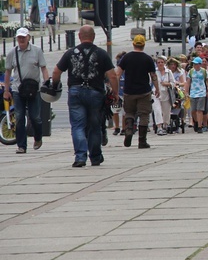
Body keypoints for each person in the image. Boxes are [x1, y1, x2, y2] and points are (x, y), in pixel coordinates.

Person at [52, 25, 118, 167]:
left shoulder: (70, 53)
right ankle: (95, 157)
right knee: (95, 126)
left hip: (76, 92)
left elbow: (56, 71)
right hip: (95, 93)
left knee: (77, 126)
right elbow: (112, 75)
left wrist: (54, 86)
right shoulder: (101, 53)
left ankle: (80, 157)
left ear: (79, 37)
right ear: (93, 37)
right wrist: (115, 93)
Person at [3, 27, 49, 154]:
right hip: (18, 89)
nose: (21, 39)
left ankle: (38, 137)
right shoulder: (12, 53)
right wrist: (6, 91)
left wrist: (46, 82)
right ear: (17, 38)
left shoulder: (37, 51)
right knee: (19, 118)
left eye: (24, 37)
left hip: (34, 90)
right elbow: (7, 72)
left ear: (28, 37)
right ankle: (21, 145)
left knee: (35, 117)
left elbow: (44, 68)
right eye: (19, 37)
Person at [117, 35, 158, 148]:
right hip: (144, 91)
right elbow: (153, 75)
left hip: (129, 91)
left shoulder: (126, 58)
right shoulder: (147, 59)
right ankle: (142, 141)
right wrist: (157, 89)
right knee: (144, 115)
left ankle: (129, 129)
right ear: (143, 45)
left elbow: (118, 74)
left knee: (129, 112)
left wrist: (115, 89)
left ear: (133, 44)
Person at [186, 57, 208, 133]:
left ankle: (200, 126)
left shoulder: (204, 71)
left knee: (199, 110)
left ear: (200, 64)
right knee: (193, 110)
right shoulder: (191, 72)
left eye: (197, 64)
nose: (195, 65)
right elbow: (188, 82)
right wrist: (186, 92)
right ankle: (196, 121)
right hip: (193, 93)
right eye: (194, 64)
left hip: (202, 92)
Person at [155, 56, 175, 135]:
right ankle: (159, 127)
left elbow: (173, 83)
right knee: (157, 110)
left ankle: (165, 125)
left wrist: (166, 84)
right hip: (156, 94)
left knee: (166, 111)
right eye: (158, 62)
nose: (160, 64)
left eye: (162, 62)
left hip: (166, 94)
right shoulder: (154, 72)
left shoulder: (168, 72)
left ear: (164, 63)